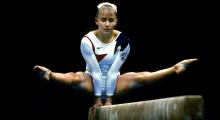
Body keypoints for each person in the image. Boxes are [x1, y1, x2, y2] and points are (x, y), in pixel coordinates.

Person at [33, 2, 198, 119]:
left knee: (141, 76)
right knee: (75, 77)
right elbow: (96, 71)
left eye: (111, 20)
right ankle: (51, 75)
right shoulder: (87, 40)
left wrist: (110, 100)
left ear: (116, 21)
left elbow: (112, 71)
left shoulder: (123, 41)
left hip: (115, 82)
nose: (107, 24)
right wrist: (98, 100)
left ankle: (175, 68)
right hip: (91, 81)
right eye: (103, 20)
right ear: (96, 21)